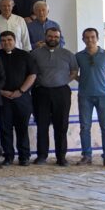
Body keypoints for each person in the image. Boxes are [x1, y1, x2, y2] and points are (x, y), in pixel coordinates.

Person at [31, 27, 78, 166]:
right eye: (50, 36)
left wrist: (64, 81)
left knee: (61, 125)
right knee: (42, 125)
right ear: (45, 37)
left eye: (56, 37)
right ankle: (41, 156)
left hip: (61, 93)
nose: (53, 39)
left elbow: (74, 71)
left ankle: (61, 157)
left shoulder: (68, 54)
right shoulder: (35, 54)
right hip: (41, 92)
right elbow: (31, 72)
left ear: (60, 38)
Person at [76, 27, 105, 167]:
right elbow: (73, 73)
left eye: (92, 37)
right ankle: (86, 156)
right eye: (87, 37)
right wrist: (82, 81)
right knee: (85, 127)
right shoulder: (78, 56)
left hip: (103, 95)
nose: (90, 40)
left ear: (97, 38)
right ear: (83, 39)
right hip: (85, 95)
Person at [0, 31, 37, 166]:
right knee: (5, 128)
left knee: (22, 128)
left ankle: (24, 156)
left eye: (9, 40)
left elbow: (32, 75)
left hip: (22, 97)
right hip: (3, 98)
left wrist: (20, 91)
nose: (6, 42)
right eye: (3, 40)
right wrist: (1, 91)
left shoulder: (25, 55)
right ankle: (8, 156)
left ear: (15, 41)